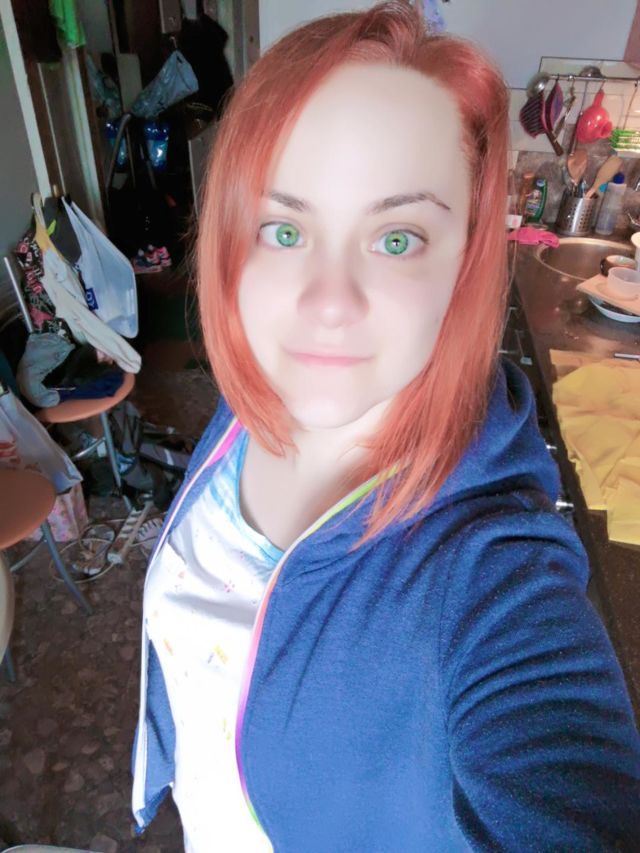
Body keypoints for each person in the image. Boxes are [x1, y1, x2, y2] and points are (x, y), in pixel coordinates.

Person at [131, 2, 640, 849]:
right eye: (284, 229)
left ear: (465, 256)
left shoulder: (487, 578)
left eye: (396, 239)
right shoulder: (258, 400)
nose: (327, 303)